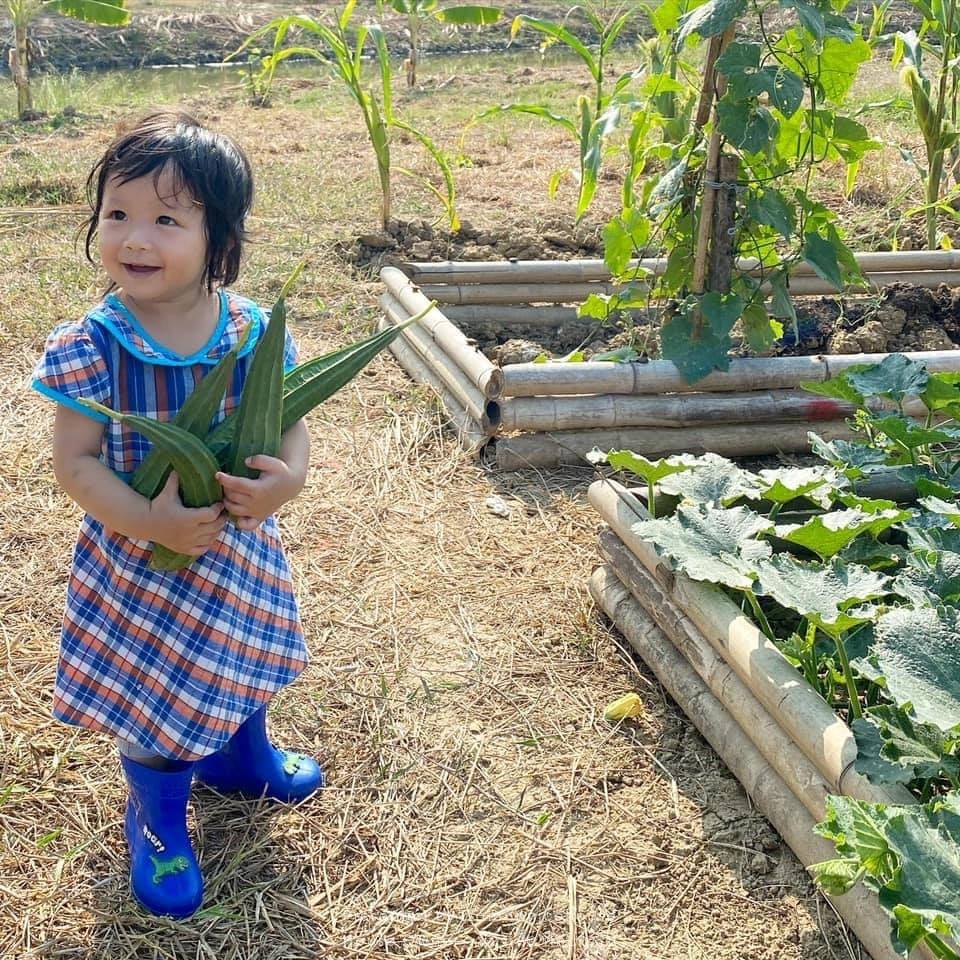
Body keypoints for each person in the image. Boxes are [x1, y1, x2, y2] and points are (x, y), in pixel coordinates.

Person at [31, 110, 323, 920]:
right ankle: (157, 821)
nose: (136, 237)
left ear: (219, 238)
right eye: (118, 214)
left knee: (243, 656)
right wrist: (148, 522)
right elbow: (76, 464)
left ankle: (242, 756)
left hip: (233, 554)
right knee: (156, 697)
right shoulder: (93, 344)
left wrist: (283, 485)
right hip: (142, 566)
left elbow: (289, 424)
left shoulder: (253, 331)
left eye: (167, 218)